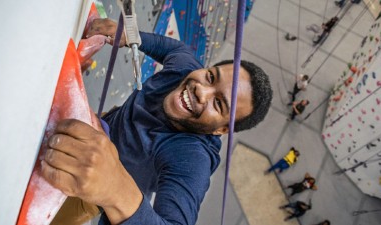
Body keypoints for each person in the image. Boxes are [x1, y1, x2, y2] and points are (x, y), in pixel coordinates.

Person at [41, 18, 273, 225]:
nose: (201, 90)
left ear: (221, 129)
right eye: (211, 76)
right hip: (95, 124)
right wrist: (133, 36)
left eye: (219, 104)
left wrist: (115, 189)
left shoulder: (192, 157)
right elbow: (176, 48)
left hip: (84, 192)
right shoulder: (185, 68)